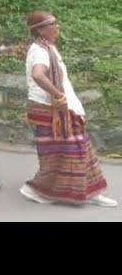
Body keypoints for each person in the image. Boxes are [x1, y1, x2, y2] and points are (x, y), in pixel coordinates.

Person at [21, 11, 117, 207]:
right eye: (52, 24)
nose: (57, 27)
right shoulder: (39, 50)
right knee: (65, 152)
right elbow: (38, 75)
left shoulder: (48, 48)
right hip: (51, 110)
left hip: (60, 109)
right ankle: (38, 190)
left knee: (75, 150)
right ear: (40, 30)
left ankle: (90, 191)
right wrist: (58, 95)